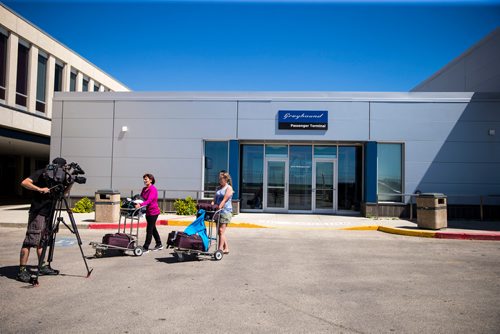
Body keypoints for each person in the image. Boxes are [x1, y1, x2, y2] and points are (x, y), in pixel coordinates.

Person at [17, 157, 66, 283]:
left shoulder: (57, 178)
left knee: (43, 240)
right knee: (30, 240)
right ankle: (22, 271)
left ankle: (42, 266)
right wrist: (40, 189)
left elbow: (62, 194)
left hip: (49, 212)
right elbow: (24, 182)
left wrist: (70, 183)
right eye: (63, 168)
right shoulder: (42, 172)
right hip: (38, 211)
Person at [135, 173, 162, 253]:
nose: (144, 180)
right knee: (153, 228)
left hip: (154, 212)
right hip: (148, 212)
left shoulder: (153, 189)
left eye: (146, 179)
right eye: (144, 179)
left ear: (151, 180)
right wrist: (135, 201)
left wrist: (140, 204)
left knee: (149, 229)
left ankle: (145, 247)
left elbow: (149, 200)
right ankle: (159, 244)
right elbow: (141, 198)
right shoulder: (144, 189)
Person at [212, 171, 233, 254]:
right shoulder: (218, 188)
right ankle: (226, 248)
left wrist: (218, 208)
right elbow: (214, 200)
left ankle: (219, 250)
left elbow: (224, 200)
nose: (220, 180)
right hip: (217, 211)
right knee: (219, 232)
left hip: (225, 212)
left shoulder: (229, 188)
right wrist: (211, 207)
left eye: (221, 179)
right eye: (219, 179)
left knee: (221, 231)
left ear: (226, 179)